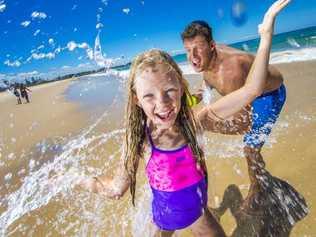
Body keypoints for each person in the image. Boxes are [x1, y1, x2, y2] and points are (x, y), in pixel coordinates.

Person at [80, 1, 289, 236]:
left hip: (200, 216)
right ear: (137, 99)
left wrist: (266, 35)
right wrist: (86, 183)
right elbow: (118, 188)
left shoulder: (197, 121)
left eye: (170, 91)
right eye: (149, 96)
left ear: (181, 88)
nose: (163, 104)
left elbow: (252, 89)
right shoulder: (139, 137)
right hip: (162, 218)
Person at [181, 3, 287, 212]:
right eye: (187, 50)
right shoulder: (206, 62)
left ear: (211, 46)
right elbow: (206, 89)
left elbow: (244, 123)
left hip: (269, 95)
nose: (192, 57)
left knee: (249, 147)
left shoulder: (230, 72)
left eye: (198, 49)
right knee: (199, 124)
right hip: (250, 93)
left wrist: (205, 124)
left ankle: (257, 190)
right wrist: (189, 102)